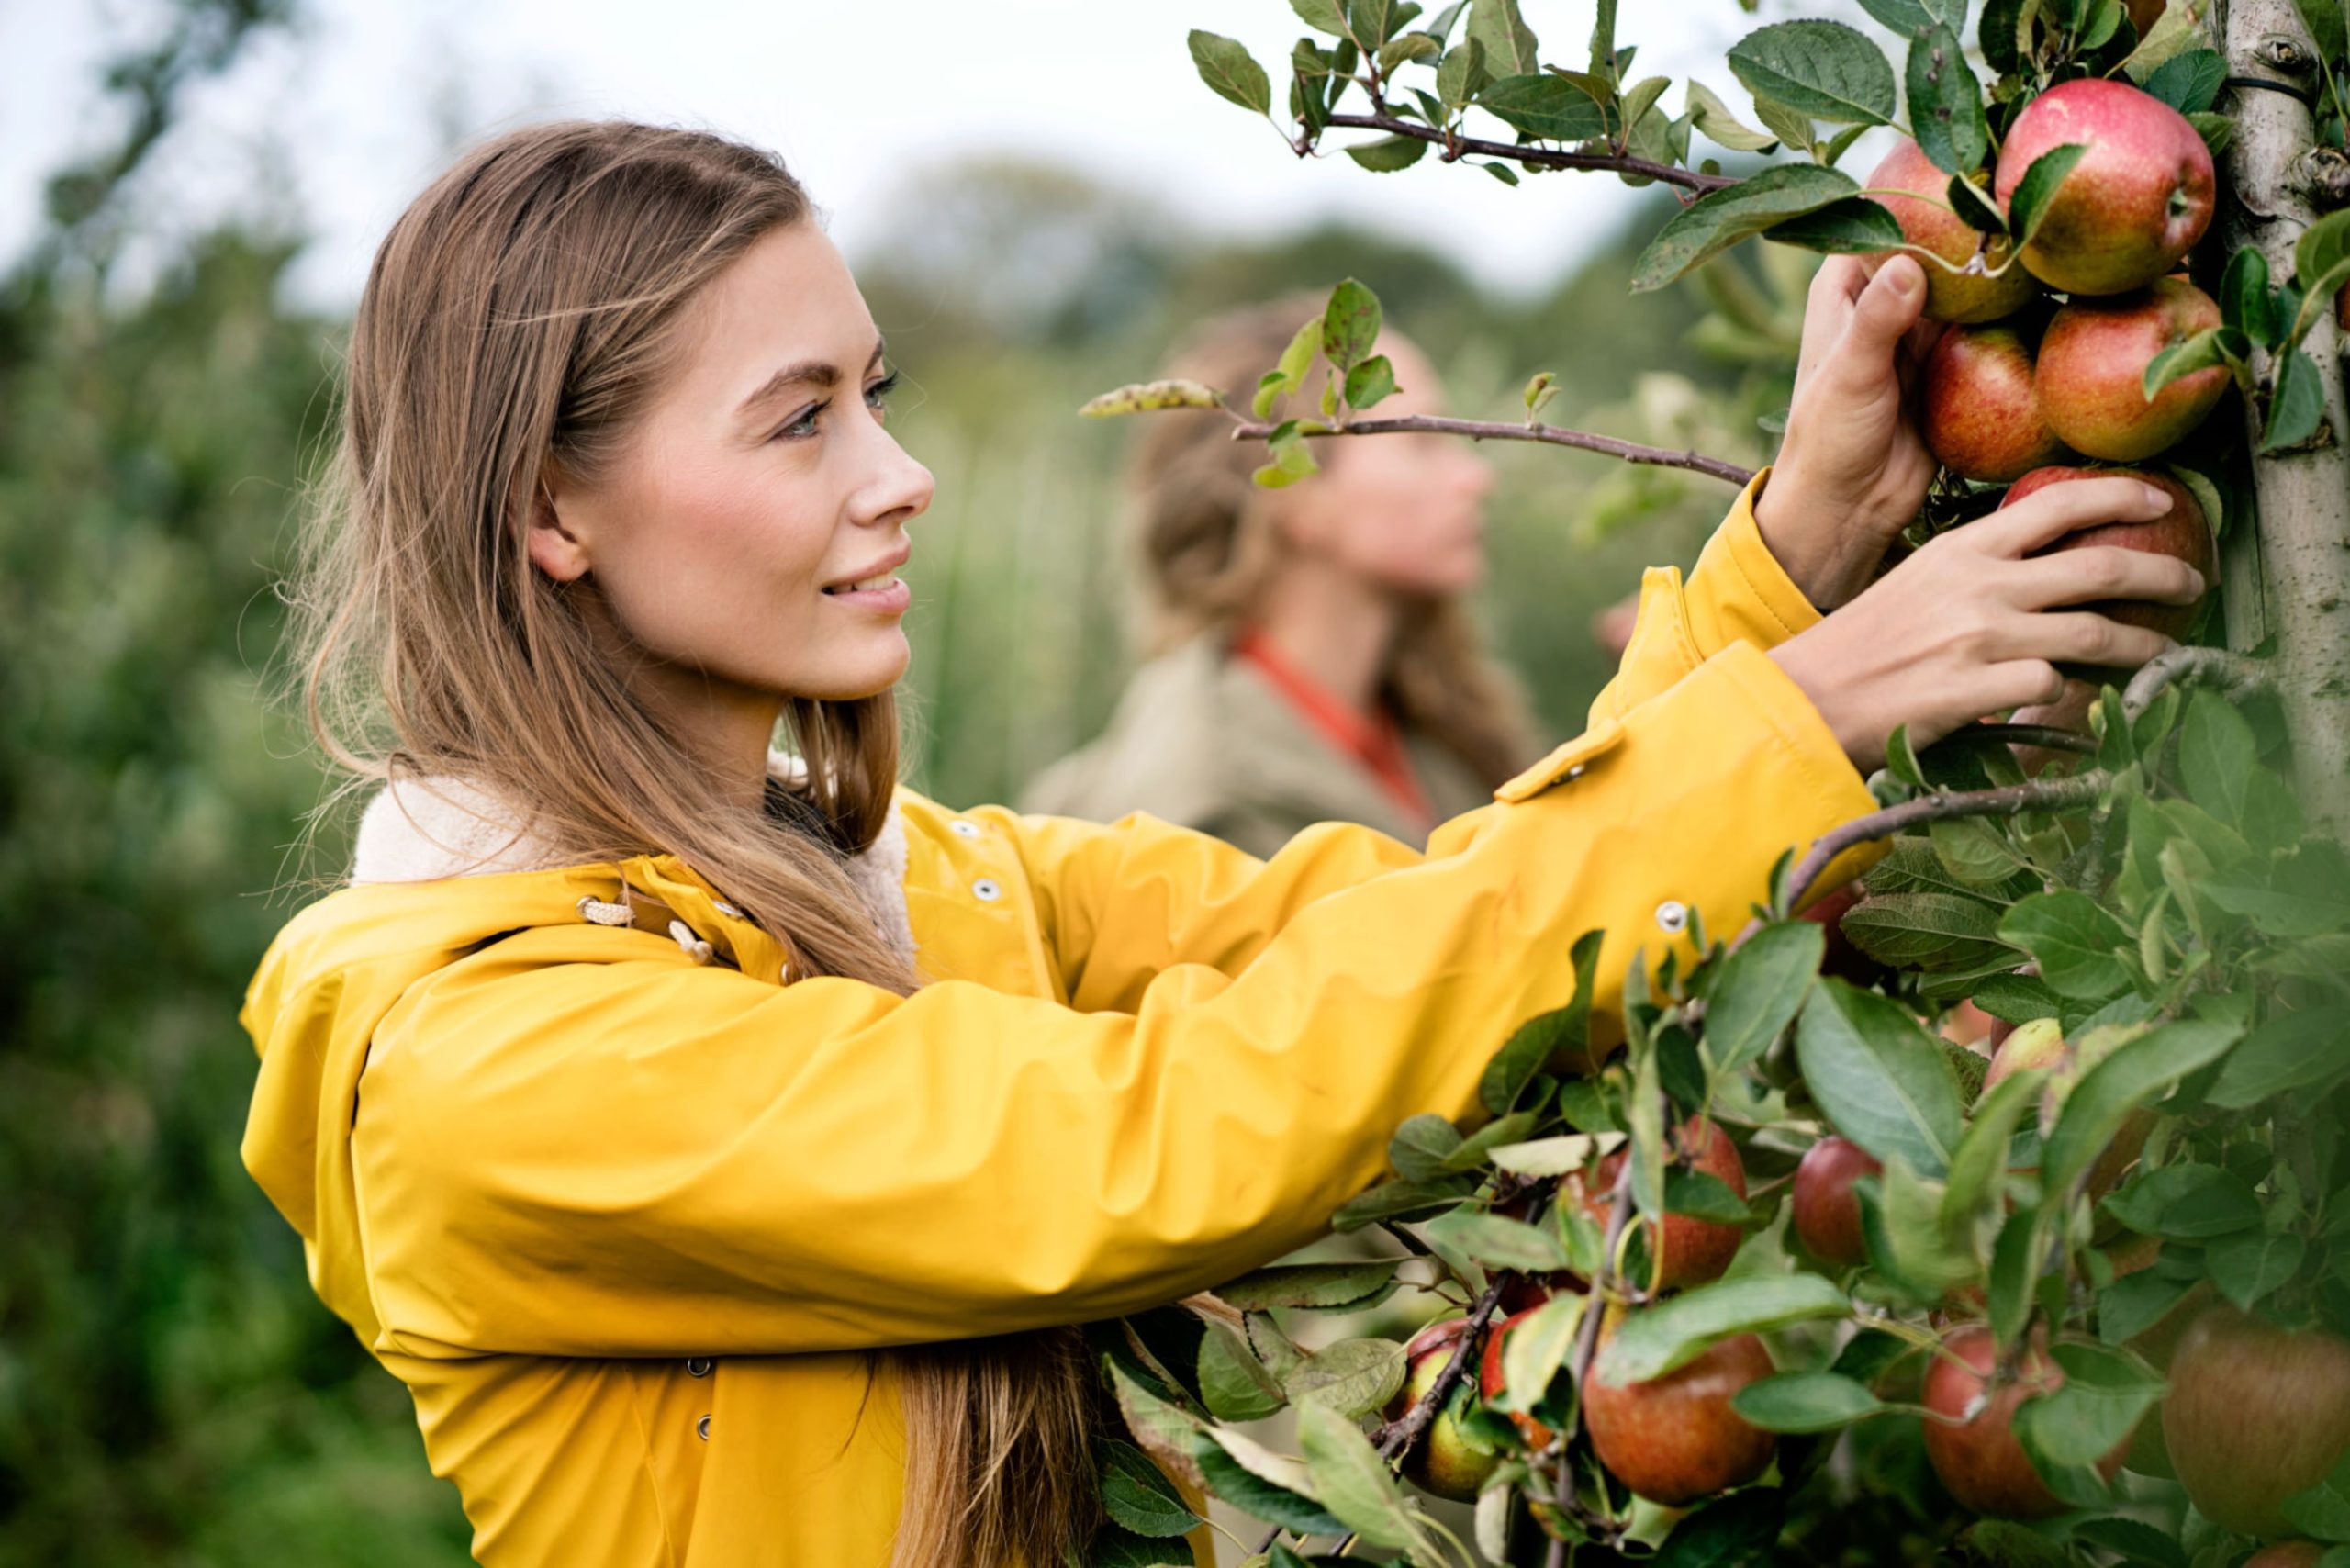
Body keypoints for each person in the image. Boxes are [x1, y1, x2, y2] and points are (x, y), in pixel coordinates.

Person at [237, 120, 2204, 1568]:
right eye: (799, 419)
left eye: (881, 395)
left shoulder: (923, 881)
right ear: (551, 512)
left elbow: (1412, 934)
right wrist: (1796, 715)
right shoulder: (496, 1064)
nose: (899, 472)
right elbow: (1168, 1131)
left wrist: (1782, 567)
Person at [1020, 301, 1539, 856]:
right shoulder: (1209, 805)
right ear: (1294, 491)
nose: (1476, 477)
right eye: (1422, 441)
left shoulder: (1429, 726)